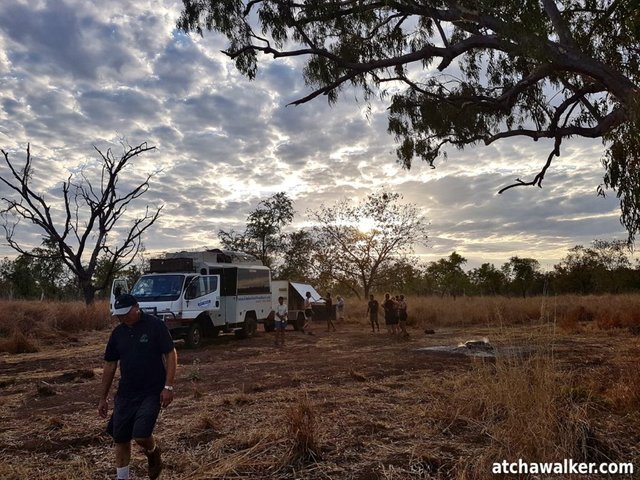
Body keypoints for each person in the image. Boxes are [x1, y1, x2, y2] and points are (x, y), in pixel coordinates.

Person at [98, 294, 177, 480]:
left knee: (141, 435)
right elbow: (110, 365)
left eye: (125, 313)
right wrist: (103, 397)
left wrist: (168, 386)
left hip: (151, 390)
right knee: (121, 439)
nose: (122, 318)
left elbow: (170, 354)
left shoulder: (155, 325)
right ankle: (122, 477)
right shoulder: (118, 333)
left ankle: (153, 452)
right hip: (126, 393)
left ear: (137, 307)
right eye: (119, 315)